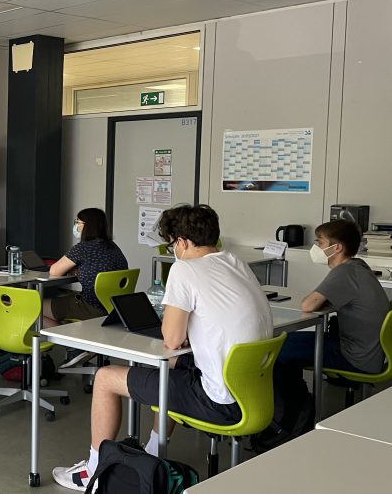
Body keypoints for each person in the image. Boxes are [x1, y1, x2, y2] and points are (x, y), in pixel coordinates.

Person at [55, 204, 272, 491]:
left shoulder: (185, 269)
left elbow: (171, 340)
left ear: (182, 241)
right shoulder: (234, 261)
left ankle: (95, 472)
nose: (173, 251)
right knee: (166, 366)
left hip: (218, 401)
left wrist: (178, 330)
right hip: (251, 393)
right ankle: (154, 452)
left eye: (171, 244)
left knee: (105, 378)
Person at [276, 219, 389, 374]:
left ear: (336, 248)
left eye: (320, 243)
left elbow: (307, 306)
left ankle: (295, 397)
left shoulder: (345, 272)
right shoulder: (358, 266)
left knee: (277, 348)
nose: (315, 248)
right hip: (370, 354)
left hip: (356, 357)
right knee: (287, 342)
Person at [43, 208, 128, 327]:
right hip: (113, 307)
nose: (76, 225)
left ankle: (62, 337)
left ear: (87, 226)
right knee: (65, 299)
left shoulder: (83, 248)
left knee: (36, 307)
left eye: (78, 222)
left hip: (90, 307)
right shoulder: (113, 247)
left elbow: (54, 271)